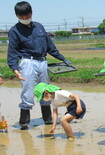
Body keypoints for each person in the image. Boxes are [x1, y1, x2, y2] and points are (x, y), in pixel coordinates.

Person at [7, 1, 71, 130]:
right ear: (17, 16)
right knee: (28, 92)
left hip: (42, 61)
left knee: (46, 90)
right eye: (22, 16)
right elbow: (12, 51)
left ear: (31, 13)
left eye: (27, 15)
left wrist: (63, 59)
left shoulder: (39, 27)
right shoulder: (14, 31)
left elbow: (50, 47)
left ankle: (47, 120)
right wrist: (15, 68)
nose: (25, 18)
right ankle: (24, 123)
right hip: (27, 62)